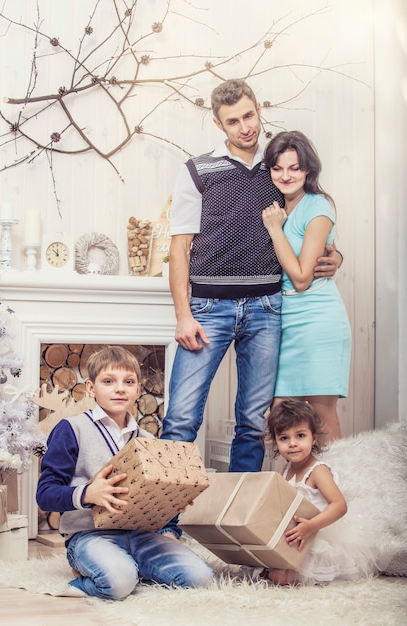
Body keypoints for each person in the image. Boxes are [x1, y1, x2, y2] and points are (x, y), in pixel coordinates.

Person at [161, 79, 342, 471]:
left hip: (267, 307)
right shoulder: (197, 170)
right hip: (208, 308)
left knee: (253, 423)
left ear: (258, 109)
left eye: (249, 115)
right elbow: (180, 247)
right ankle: (165, 525)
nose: (244, 127)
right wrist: (182, 315)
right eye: (232, 121)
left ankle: (236, 522)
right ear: (217, 123)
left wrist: (334, 254)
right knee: (181, 418)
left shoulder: (279, 163)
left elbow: (307, 220)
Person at [36, 346, 214, 600]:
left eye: (129, 382)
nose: (120, 388)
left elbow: (151, 497)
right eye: (108, 381)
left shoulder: (148, 439)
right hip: (89, 535)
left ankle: (126, 567)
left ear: (138, 390)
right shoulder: (71, 429)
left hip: (142, 535)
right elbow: (45, 495)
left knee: (200, 578)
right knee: (118, 584)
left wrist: (174, 501)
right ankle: (92, 576)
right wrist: (88, 493)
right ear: (90, 388)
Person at [262, 130, 351, 441]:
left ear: (308, 169)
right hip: (285, 321)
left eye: (295, 168)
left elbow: (301, 279)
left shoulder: (318, 206)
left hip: (316, 318)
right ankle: (297, 489)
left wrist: (276, 229)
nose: (286, 176)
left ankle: (337, 487)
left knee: (321, 415)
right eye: (278, 168)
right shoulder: (275, 203)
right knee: (281, 415)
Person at [264, 398, 377, 585]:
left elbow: (339, 505)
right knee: (256, 560)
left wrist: (310, 526)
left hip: (316, 533)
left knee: (280, 577)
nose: (292, 443)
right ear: (276, 442)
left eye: (300, 436)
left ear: (313, 438)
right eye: (284, 438)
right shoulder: (285, 470)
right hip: (296, 534)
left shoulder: (318, 471)